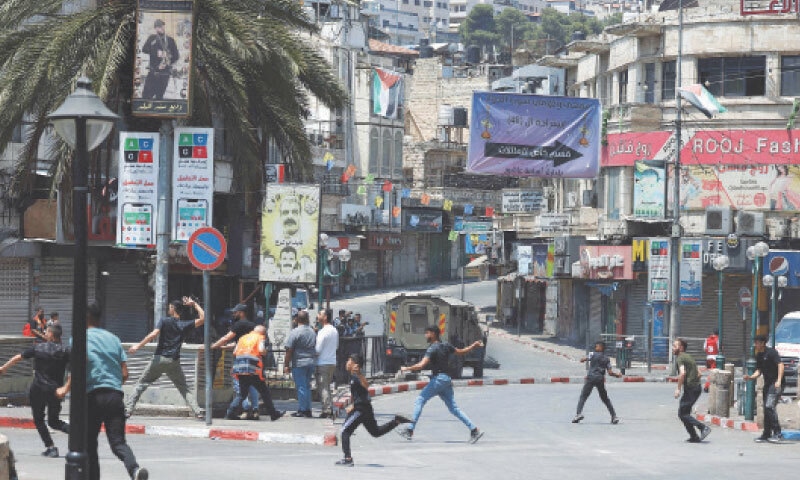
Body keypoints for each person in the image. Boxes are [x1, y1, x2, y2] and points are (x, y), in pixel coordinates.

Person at [81, 303, 148, 480]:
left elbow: (77, 369)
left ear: (86, 317)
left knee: (89, 443)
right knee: (118, 443)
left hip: (93, 395)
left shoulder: (79, 338)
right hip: (114, 395)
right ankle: (134, 469)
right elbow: (125, 373)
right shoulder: (114, 338)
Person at [398, 326, 484, 443]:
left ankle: (410, 430)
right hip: (446, 379)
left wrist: (406, 368)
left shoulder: (432, 349)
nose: (425, 336)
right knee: (454, 409)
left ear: (433, 334)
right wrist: (474, 346)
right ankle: (474, 429)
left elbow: (421, 365)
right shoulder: (446, 345)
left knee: (420, 400)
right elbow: (461, 352)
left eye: (427, 333)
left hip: (438, 379)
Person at [125, 297, 203, 418]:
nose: (168, 309)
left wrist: (138, 346)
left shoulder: (164, 321)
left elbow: (154, 334)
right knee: (184, 388)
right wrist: (194, 304)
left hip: (159, 359)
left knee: (141, 384)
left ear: (173, 308)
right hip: (173, 361)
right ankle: (197, 412)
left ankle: (128, 410)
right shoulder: (184, 324)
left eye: (170, 307)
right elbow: (203, 318)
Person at [0, 324, 70, 458]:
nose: (44, 333)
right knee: (54, 422)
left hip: (38, 389)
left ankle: (51, 447)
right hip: (55, 390)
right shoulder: (65, 351)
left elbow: (18, 357)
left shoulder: (38, 348)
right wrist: (66, 388)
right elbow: (77, 366)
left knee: (39, 419)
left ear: (51, 334)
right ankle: (77, 434)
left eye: (47, 332)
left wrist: (4, 368)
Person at [336, 353, 411, 466]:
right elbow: (360, 393)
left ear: (354, 364)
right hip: (364, 408)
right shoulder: (353, 376)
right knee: (375, 432)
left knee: (344, 432)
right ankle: (396, 421)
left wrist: (360, 374)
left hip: (361, 409)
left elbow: (366, 386)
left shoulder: (357, 376)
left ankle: (348, 459)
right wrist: (352, 405)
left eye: (349, 360)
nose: (347, 363)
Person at [225, 325, 284, 421]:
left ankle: (230, 413)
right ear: (263, 333)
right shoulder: (260, 337)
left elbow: (235, 352)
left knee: (242, 394)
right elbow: (261, 350)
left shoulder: (242, 338)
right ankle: (273, 414)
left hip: (240, 369)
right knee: (265, 392)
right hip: (252, 370)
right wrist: (265, 352)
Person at [211, 303, 259, 419]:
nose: (233, 314)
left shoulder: (239, 325)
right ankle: (255, 409)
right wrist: (223, 347)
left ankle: (246, 408)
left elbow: (227, 337)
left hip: (241, 359)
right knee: (252, 384)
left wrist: (213, 346)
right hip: (253, 358)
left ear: (241, 313)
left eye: (235, 312)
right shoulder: (253, 325)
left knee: (238, 384)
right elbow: (237, 343)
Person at [744, 335, 785, 443]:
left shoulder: (771, 352)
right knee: (765, 409)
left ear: (763, 343)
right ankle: (766, 434)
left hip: (775, 383)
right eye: (755, 342)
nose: (755, 345)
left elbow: (781, 365)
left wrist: (779, 380)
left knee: (769, 406)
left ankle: (778, 433)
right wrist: (751, 377)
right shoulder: (759, 355)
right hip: (768, 383)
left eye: (757, 342)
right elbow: (759, 370)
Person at [572, 341, 621, 425]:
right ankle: (614, 416)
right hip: (600, 379)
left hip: (590, 378)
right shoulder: (606, 358)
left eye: (597, 346)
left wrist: (584, 359)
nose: (595, 347)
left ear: (601, 348)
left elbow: (582, 359)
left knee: (583, 396)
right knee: (605, 399)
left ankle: (578, 414)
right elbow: (610, 372)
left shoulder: (592, 354)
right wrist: (617, 375)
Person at [673, 338, 711, 443]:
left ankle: (703, 428)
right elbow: (699, 373)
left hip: (691, 389)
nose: (673, 348)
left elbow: (682, 373)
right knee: (684, 413)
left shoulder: (680, 358)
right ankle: (694, 436)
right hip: (695, 388)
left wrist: (678, 389)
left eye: (675, 346)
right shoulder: (689, 356)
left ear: (681, 348)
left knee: (682, 413)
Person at [284, 310, 317, 417]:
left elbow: (289, 349)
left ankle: (303, 410)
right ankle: (307, 409)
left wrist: (286, 364)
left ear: (297, 319)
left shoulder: (295, 332)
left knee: (301, 387)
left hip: (299, 363)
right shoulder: (312, 332)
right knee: (307, 386)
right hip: (311, 362)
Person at [140, 18, 179, 100]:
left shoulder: (170, 40)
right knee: (145, 97)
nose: (162, 28)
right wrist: (155, 51)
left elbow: (176, 56)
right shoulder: (152, 38)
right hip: (153, 72)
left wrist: (167, 59)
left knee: (159, 98)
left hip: (165, 74)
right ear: (156, 28)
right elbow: (144, 49)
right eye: (159, 27)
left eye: (162, 26)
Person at [315, 309, 338, 419]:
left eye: (319, 314)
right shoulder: (334, 330)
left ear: (325, 317)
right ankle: (328, 407)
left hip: (323, 362)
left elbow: (317, 349)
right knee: (327, 386)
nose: (317, 316)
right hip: (332, 362)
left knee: (323, 387)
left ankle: (327, 410)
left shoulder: (322, 332)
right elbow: (336, 346)